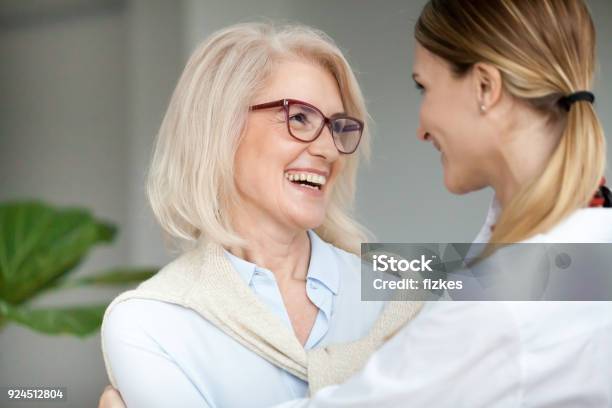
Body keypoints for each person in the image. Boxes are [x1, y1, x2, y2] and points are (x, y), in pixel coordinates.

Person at [267, 0, 612, 406]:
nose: (421, 129)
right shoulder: (584, 243)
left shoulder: (506, 305)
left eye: (424, 87)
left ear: (485, 87)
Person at [99, 23, 420, 408]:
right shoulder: (149, 321)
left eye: (337, 126)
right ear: (221, 128)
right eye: (299, 118)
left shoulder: (405, 285)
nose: (329, 150)